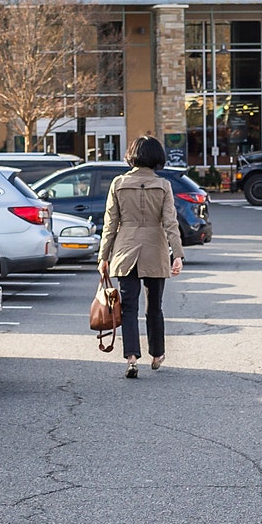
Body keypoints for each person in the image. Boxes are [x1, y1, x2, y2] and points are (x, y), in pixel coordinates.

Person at [97, 136, 184, 379]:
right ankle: (157, 354)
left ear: (132, 155)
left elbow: (110, 224)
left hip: (126, 250)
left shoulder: (118, 183)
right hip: (155, 249)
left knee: (128, 307)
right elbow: (170, 222)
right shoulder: (163, 185)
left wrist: (103, 256)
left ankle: (132, 358)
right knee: (154, 307)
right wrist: (177, 254)